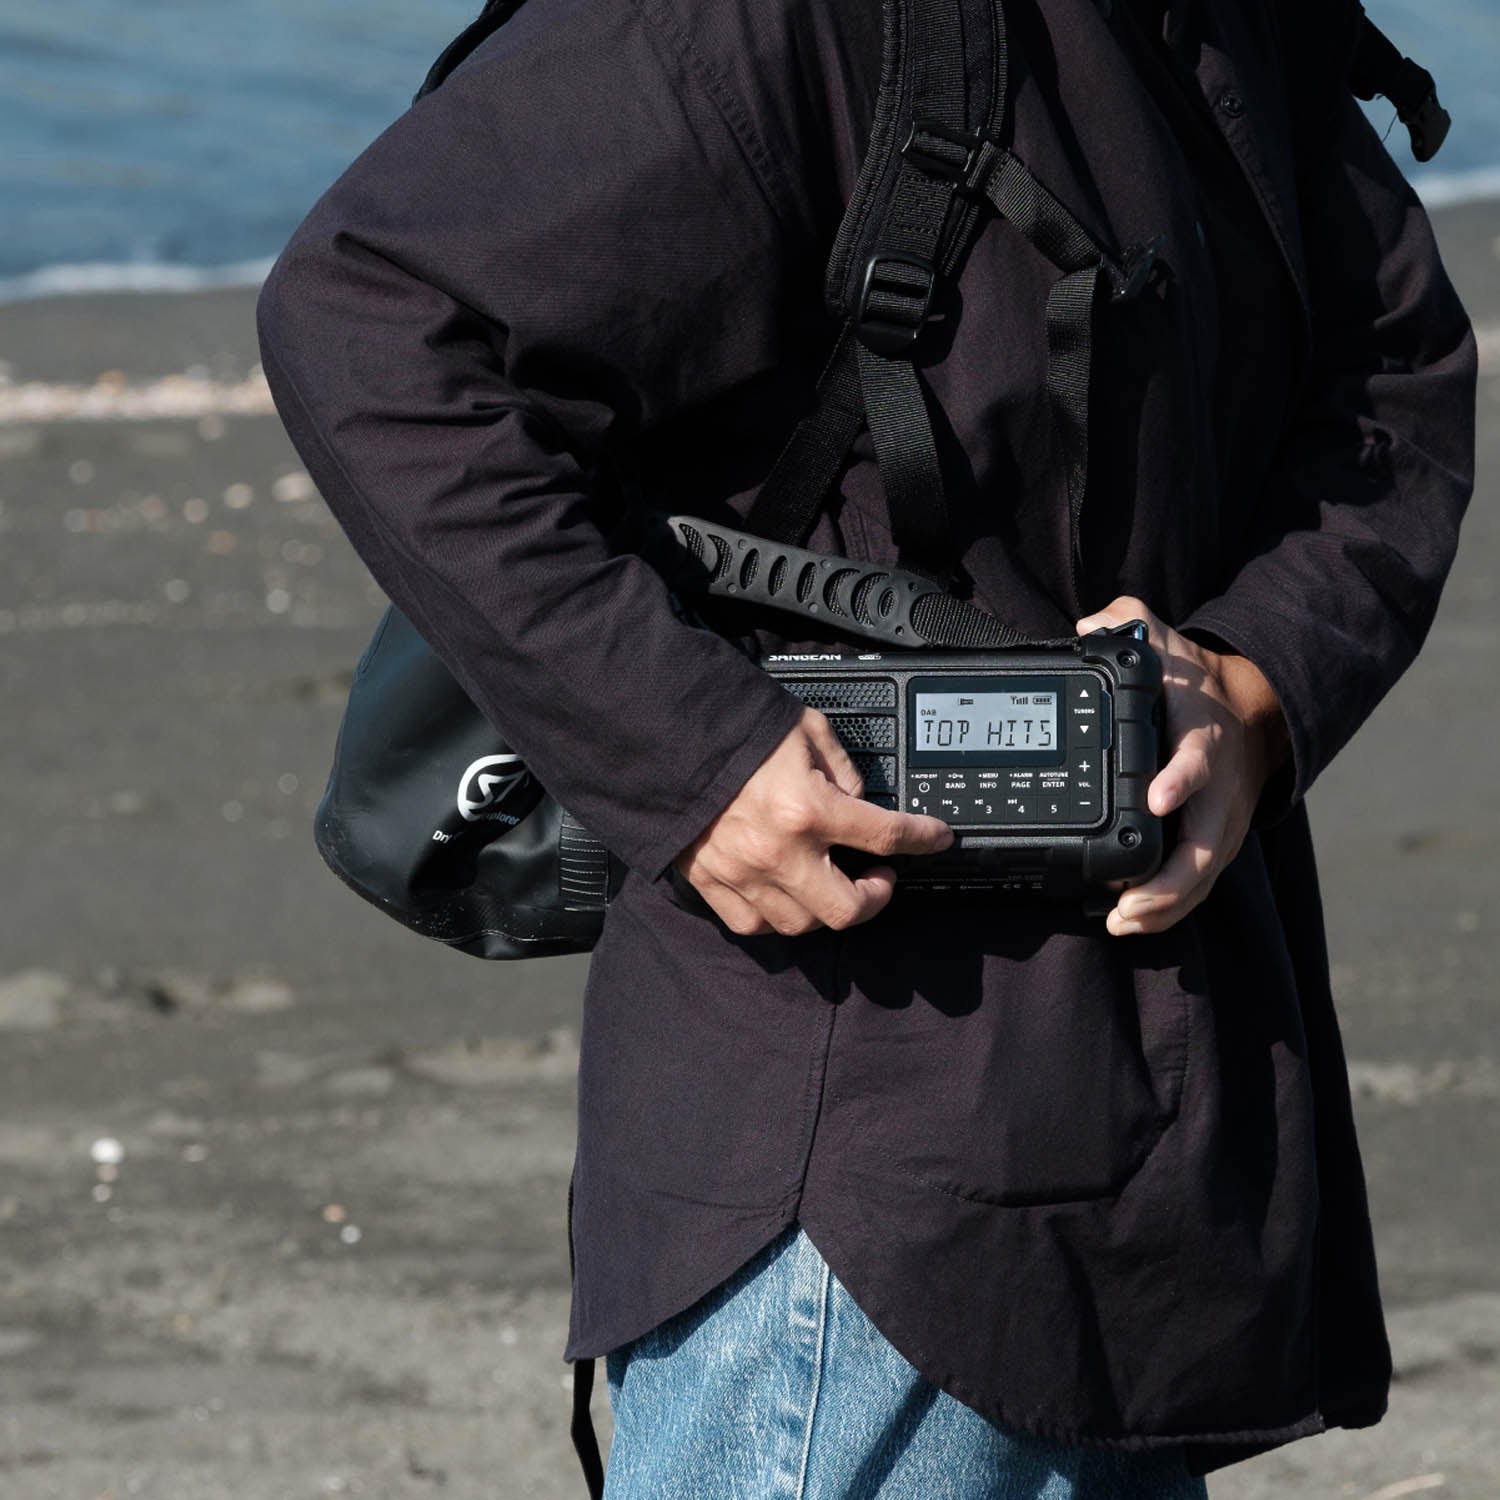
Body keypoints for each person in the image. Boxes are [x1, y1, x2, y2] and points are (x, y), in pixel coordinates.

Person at [256, 0, 1476, 1493]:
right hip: (848, 1204)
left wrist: (1253, 681)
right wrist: (689, 755)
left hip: (1152, 1148)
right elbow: (372, 316)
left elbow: (1392, 388)